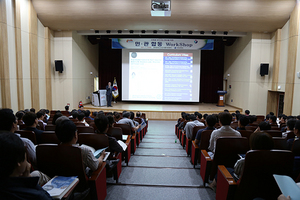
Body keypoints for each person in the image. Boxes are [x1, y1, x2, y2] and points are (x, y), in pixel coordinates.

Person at [0, 133, 53, 200]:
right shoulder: (37, 196)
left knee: (36, 173)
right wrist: (29, 178)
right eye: (25, 158)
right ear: (18, 163)